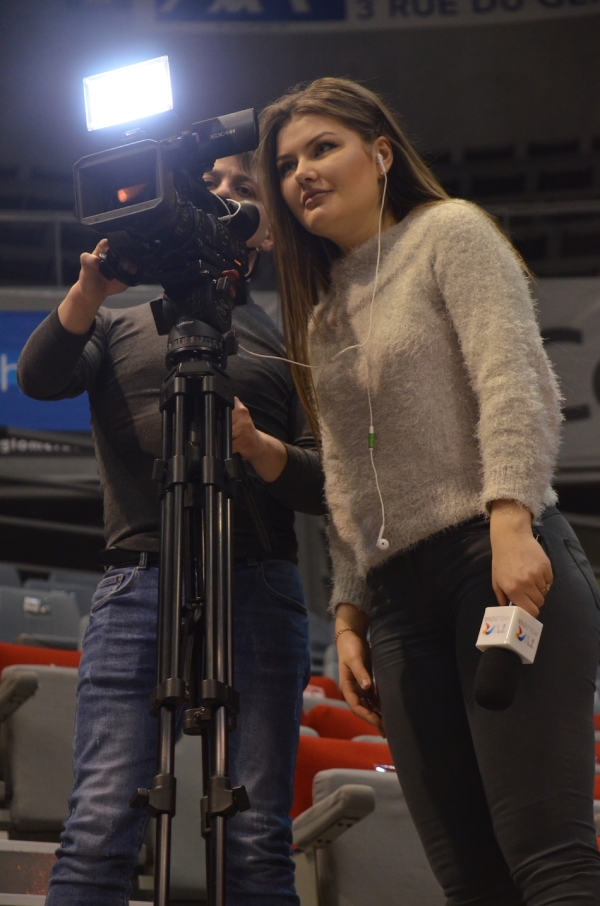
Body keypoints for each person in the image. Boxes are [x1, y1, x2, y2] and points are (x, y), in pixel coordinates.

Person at [254, 77, 600, 905]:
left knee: (546, 856)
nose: (302, 170)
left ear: (380, 154)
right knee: (468, 880)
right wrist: (347, 612)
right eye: (288, 162)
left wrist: (512, 518)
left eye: (322, 147)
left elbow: (514, 378)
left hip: (497, 558)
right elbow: (345, 474)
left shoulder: (451, 232)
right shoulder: (322, 314)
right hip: (397, 605)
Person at [18, 154, 324, 906]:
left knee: (256, 841)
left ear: (264, 236)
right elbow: (38, 378)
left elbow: (332, 481)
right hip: (137, 581)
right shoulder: (117, 323)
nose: (221, 198)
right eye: (208, 185)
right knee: (100, 824)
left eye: (243, 191)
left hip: (256, 582)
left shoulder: (295, 340)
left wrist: (261, 449)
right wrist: (91, 289)